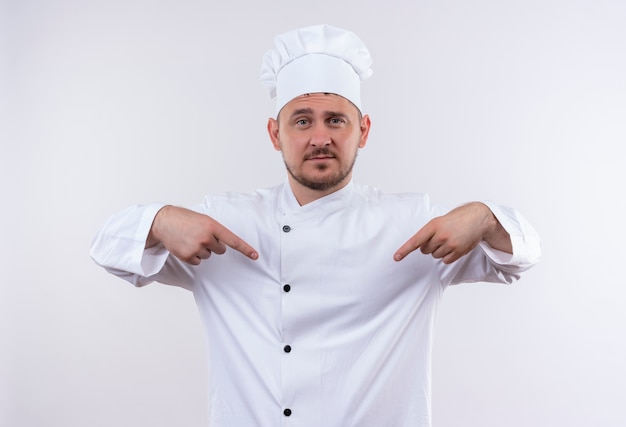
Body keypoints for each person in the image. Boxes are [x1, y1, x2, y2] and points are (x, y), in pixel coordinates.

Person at [91, 24, 541, 427]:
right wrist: (161, 219)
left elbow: (521, 256)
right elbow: (106, 249)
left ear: (363, 131)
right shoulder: (223, 224)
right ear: (275, 134)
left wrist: (483, 217)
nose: (319, 138)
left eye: (336, 121)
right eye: (302, 121)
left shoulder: (413, 222)